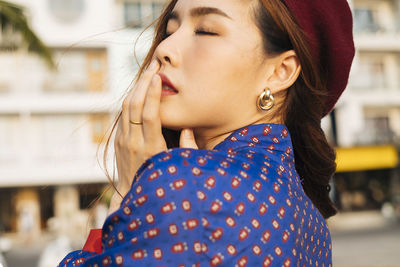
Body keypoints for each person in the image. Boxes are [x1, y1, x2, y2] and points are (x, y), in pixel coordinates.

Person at [58, 0, 355, 266]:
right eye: (171, 29)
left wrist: (128, 194)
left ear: (280, 71)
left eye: (206, 31)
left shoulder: (184, 184)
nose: (164, 48)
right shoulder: (312, 225)